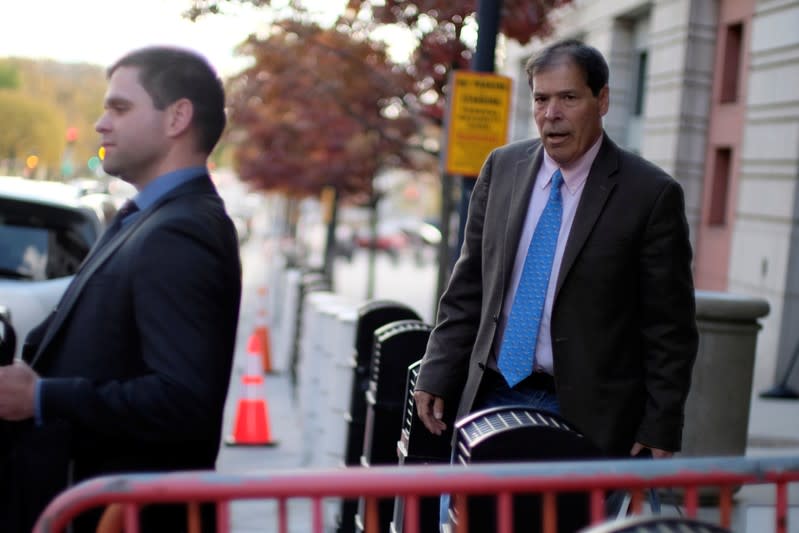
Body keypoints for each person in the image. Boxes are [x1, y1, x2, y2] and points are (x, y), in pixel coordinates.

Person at [414, 39, 698, 466]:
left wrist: (660, 423)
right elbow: (470, 283)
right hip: (489, 393)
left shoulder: (650, 195)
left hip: (583, 412)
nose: (552, 114)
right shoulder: (502, 168)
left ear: (601, 100)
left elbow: (668, 327)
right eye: (541, 99)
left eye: (568, 98)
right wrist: (437, 370)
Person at [0, 46, 242, 532]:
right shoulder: (150, 217)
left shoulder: (180, 231)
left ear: (178, 117)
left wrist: (44, 397)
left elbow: (184, 401)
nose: (100, 124)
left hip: (127, 517)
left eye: (119, 107)